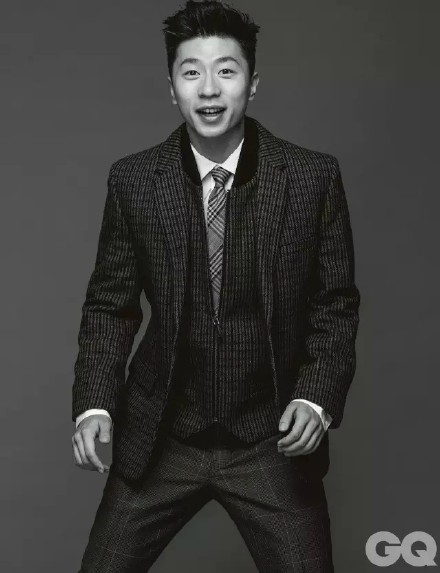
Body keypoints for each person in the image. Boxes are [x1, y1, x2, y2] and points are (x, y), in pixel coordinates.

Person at [71, 1, 360, 571]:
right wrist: (94, 403)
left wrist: (316, 398)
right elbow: (110, 305)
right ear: (171, 87)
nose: (208, 89)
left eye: (226, 71)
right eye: (191, 72)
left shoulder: (311, 177)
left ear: (252, 83)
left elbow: (335, 304)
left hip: (270, 440)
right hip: (164, 437)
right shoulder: (135, 180)